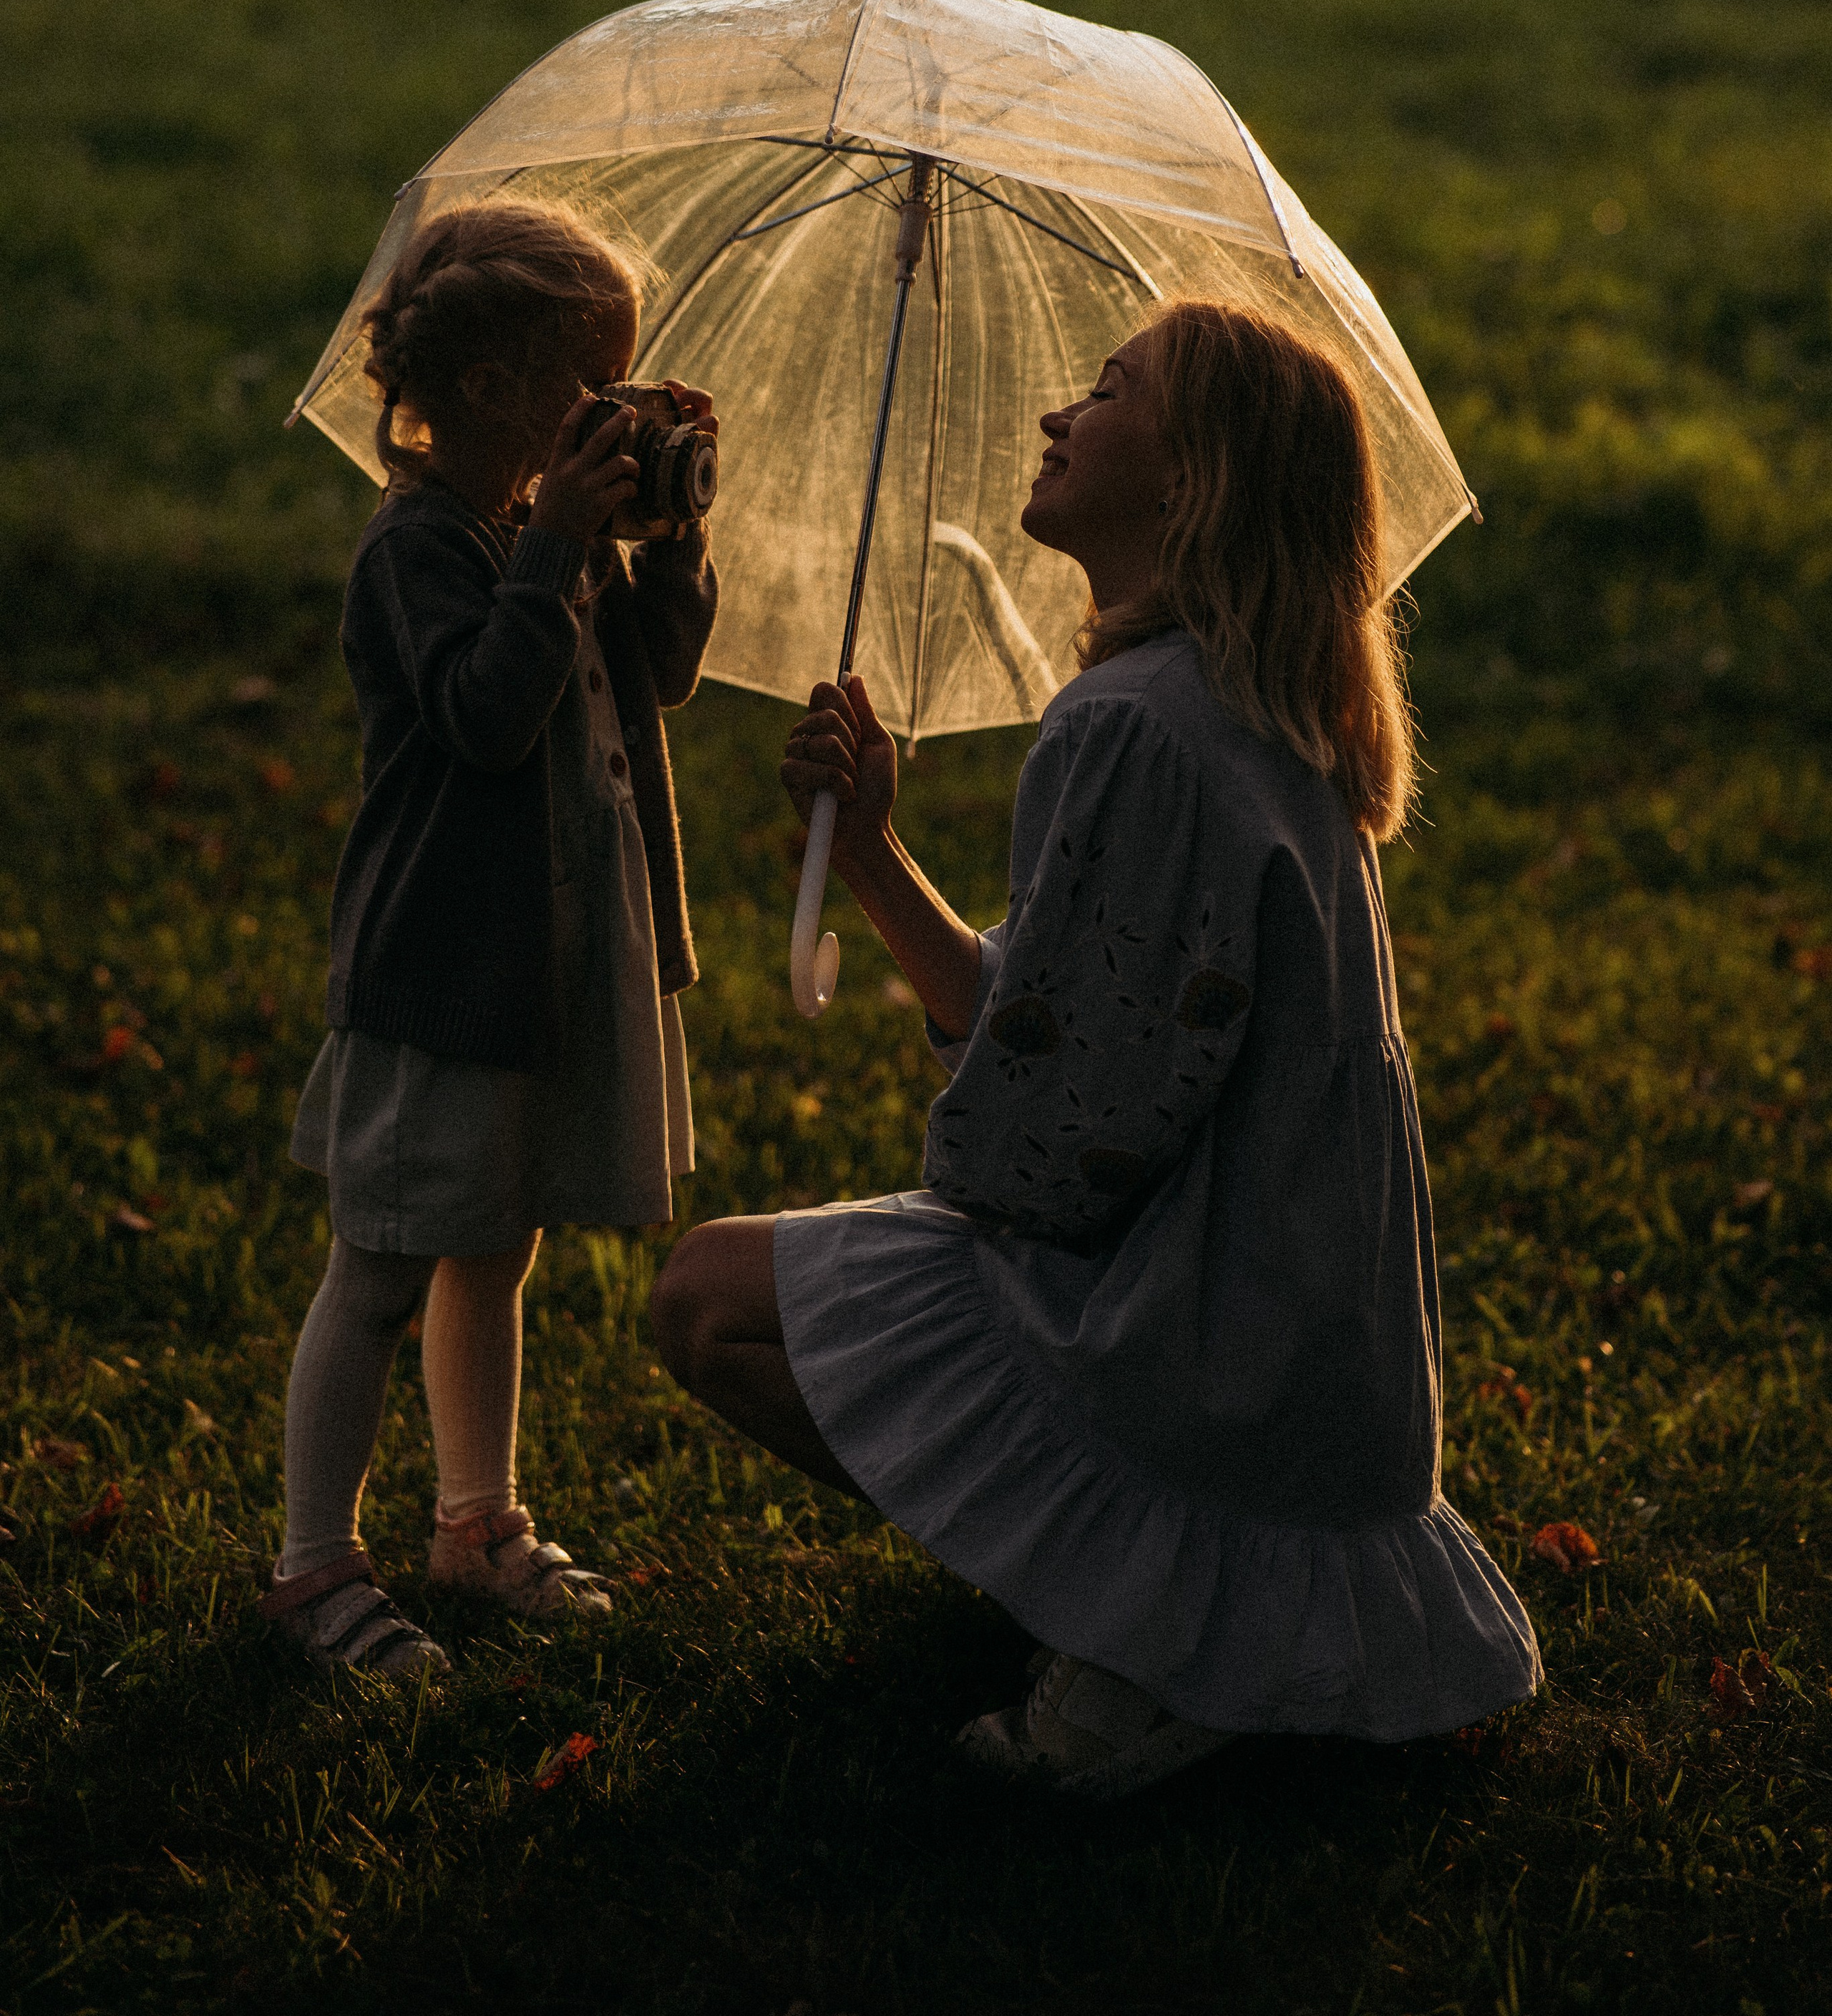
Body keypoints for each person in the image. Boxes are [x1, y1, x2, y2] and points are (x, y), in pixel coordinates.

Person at [651, 298, 1540, 1800]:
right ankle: (1141, 1619)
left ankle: (1129, 1640)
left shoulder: (1131, 726)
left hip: (1183, 1337)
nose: (1060, 415)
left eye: (1106, 393)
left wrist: (952, 1202)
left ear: (1188, 485)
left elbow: (1049, 1147)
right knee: (767, 1288)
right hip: (1299, 1348)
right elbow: (1084, 1033)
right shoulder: (1257, 713)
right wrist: (868, 856)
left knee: (702, 1301)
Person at [264, 196, 717, 1683]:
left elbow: (650, 679)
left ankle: (475, 1522)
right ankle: (314, 1565)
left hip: (541, 968)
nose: (613, 417)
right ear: (486, 392)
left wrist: (668, 540)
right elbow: (480, 712)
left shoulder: (541, 532)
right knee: (383, 1263)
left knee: (493, 1249)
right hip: (440, 976)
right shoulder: (423, 553)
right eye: (591, 391)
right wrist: (562, 546)